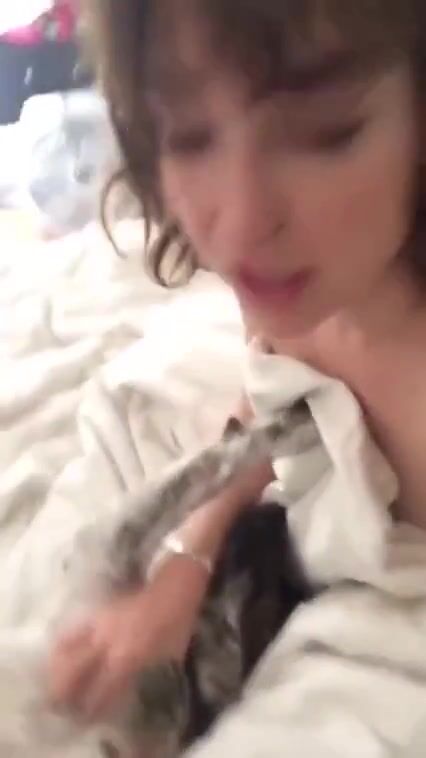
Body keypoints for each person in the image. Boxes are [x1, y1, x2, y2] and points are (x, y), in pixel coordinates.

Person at [49, 0, 426, 753]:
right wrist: (181, 572)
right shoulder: (302, 298)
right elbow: (270, 403)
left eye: (326, 133)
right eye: (189, 137)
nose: (243, 222)